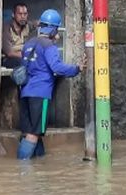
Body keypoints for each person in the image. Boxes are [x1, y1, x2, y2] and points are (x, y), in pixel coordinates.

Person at [16, 9, 83, 160]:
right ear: (54, 29)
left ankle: (39, 163)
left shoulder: (28, 44)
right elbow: (57, 67)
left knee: (30, 132)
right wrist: (76, 68)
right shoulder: (49, 47)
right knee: (34, 134)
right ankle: (21, 171)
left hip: (24, 92)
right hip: (40, 94)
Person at [2, 3, 34, 68]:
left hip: (24, 56)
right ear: (13, 15)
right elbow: (9, 53)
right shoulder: (6, 28)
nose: (23, 17)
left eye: (25, 14)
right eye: (20, 14)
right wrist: (28, 55)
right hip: (8, 59)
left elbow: (37, 23)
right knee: (23, 62)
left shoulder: (27, 25)